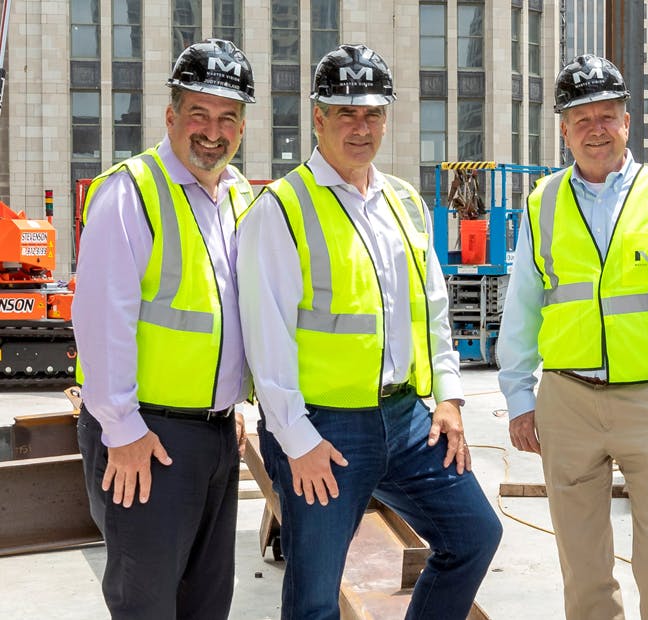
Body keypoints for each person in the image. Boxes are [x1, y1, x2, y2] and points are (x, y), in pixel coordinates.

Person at [237, 44, 502, 619]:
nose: (361, 127)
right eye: (345, 113)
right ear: (318, 118)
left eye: (373, 113)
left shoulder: (403, 201)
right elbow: (267, 341)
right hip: (325, 429)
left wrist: (450, 398)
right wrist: (297, 441)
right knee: (313, 595)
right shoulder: (280, 209)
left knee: (475, 535)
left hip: (406, 419)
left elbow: (431, 307)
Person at [497, 54, 648, 619]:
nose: (595, 129)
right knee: (582, 560)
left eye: (606, 116)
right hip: (567, 400)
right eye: (581, 119)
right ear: (564, 130)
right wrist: (521, 398)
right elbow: (522, 306)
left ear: (627, 121)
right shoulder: (542, 202)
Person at [73, 38, 256, 619]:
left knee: (205, 604)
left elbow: (230, 314)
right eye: (198, 113)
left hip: (216, 436)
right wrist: (121, 429)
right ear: (171, 116)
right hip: (146, 439)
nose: (212, 130)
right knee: (146, 605)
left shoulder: (235, 196)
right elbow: (102, 320)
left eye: (227, 117)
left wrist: (239, 402)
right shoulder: (131, 194)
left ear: (243, 126)